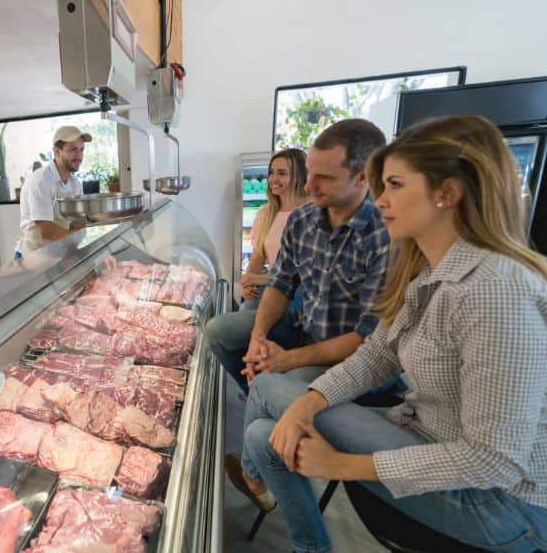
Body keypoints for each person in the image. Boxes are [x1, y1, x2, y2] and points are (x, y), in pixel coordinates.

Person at [239, 115, 547, 552]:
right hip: (424, 434)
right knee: (260, 433)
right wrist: (309, 402)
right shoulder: (426, 269)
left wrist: (345, 465)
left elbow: (492, 462)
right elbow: (377, 354)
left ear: (447, 194)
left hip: (503, 507)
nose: (381, 200)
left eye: (396, 185)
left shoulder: (495, 291)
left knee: (268, 389)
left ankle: (254, 479)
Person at [207, 118, 390, 399]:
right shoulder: (303, 219)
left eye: (324, 177)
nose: (308, 186)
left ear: (362, 177)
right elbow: (280, 284)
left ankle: (266, 401)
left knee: (272, 386)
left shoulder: (383, 235)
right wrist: (259, 337)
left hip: (351, 358)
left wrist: (288, 360)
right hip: (302, 326)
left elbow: (369, 338)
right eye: (309, 174)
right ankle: (259, 397)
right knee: (220, 330)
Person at [239, 148, 308, 312]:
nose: (273, 179)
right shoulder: (267, 212)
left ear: (299, 175)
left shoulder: (310, 212)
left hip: (298, 295)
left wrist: (257, 279)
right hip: (270, 284)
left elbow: (301, 272)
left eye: (282, 173)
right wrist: (247, 283)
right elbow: (257, 257)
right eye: (271, 172)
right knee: (245, 310)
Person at [15, 126, 91, 258]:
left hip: (61, 250)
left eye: (81, 150)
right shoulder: (40, 181)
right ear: (57, 151)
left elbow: (79, 220)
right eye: (73, 149)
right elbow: (46, 229)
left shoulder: (75, 183)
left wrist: (83, 243)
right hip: (36, 255)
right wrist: (75, 247)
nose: (79, 156)